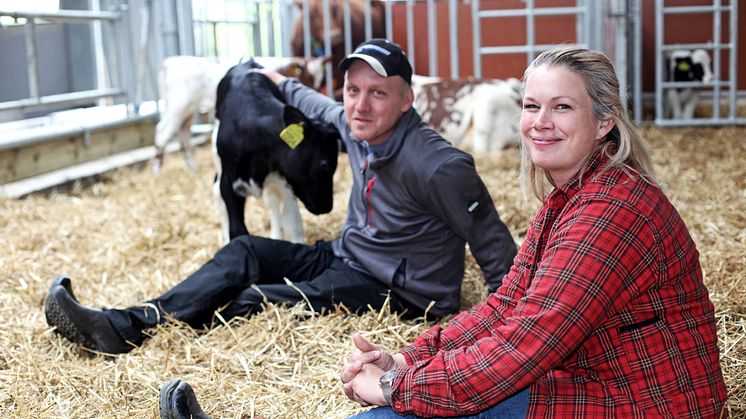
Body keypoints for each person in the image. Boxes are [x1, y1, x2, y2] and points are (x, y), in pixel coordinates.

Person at [157, 46, 729, 419]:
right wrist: (412, 358)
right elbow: (510, 302)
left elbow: (524, 342)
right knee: (246, 254)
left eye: (562, 108)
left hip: (645, 402)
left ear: (604, 122)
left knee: (421, 409)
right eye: (531, 105)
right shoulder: (571, 197)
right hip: (591, 373)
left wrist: (398, 388)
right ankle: (136, 319)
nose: (538, 122)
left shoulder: (609, 213)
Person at [44, 39, 517, 355]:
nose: (360, 104)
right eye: (353, 90)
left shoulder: (440, 165)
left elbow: (495, 246)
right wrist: (277, 81)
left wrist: (496, 335)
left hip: (403, 294)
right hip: (346, 258)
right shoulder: (358, 126)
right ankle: (127, 322)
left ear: (407, 100)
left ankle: (133, 331)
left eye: (377, 93)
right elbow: (319, 106)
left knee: (255, 299)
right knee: (244, 250)